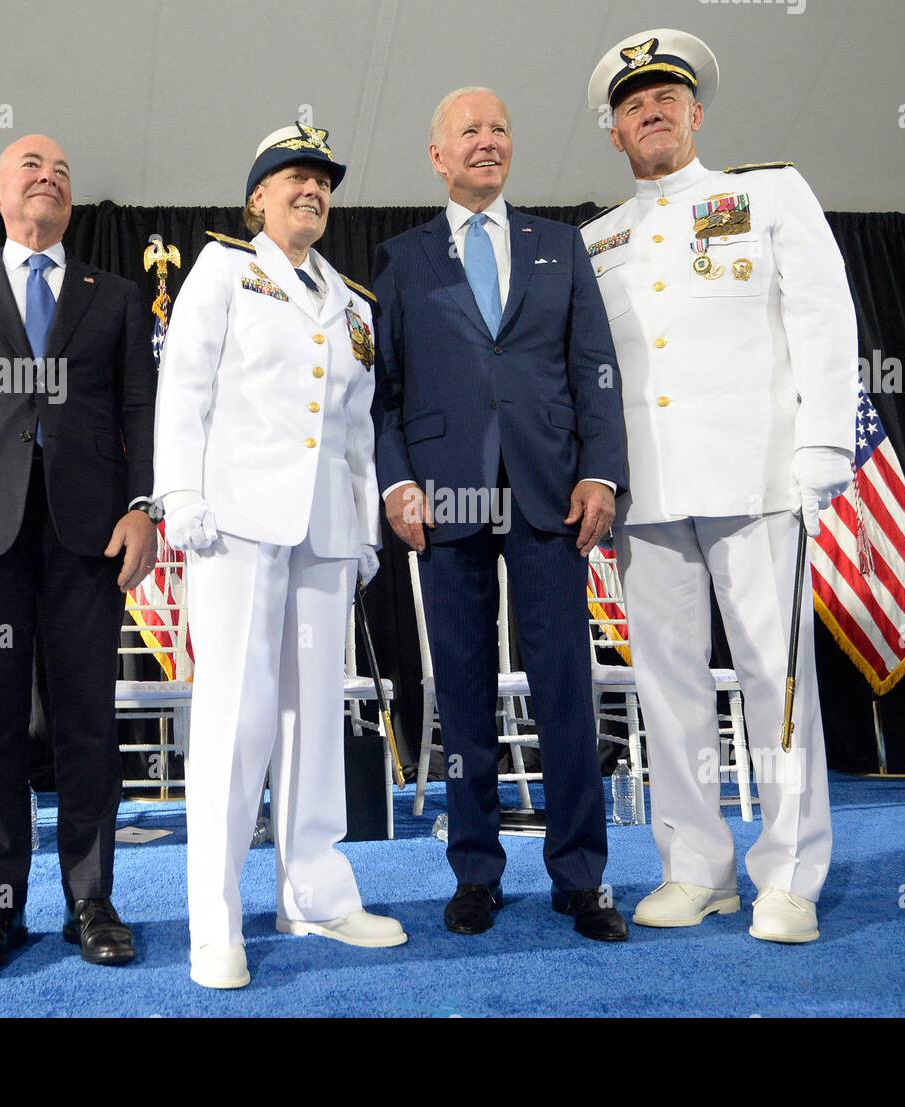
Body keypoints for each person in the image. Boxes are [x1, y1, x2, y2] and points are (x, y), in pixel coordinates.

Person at [582, 30, 859, 942]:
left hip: (756, 477)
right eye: (632, 104)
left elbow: (822, 316)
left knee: (775, 679)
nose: (651, 110)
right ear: (614, 134)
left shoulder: (769, 193)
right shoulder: (596, 239)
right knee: (667, 688)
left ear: (697, 112)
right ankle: (696, 867)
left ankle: (787, 873)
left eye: (666, 96)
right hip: (649, 493)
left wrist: (822, 445)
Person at [153, 122, 407, 990]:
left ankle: (316, 891)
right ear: (257, 195)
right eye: (294, 177)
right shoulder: (225, 269)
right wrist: (177, 494)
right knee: (234, 716)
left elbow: (357, 432)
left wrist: (366, 525)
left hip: (326, 531)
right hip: (236, 526)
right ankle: (215, 921)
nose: (312, 190)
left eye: (323, 180)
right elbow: (182, 387)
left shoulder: (353, 301)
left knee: (313, 715)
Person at [373, 88, 629, 942]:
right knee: (466, 688)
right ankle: (476, 870)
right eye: (468, 131)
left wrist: (602, 472)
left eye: (500, 130)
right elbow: (385, 396)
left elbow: (595, 366)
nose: (488, 142)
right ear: (437, 156)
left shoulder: (560, 246)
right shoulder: (402, 259)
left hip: (550, 488)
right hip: (446, 496)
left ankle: (581, 876)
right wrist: (395, 482)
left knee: (565, 683)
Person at [0, 134, 155, 973]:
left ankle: (92, 900)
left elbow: (140, 412)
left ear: (71, 201)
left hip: (89, 535)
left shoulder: (113, 297)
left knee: (87, 722)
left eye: (62, 171)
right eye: (31, 168)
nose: (49, 178)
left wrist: (143, 507)